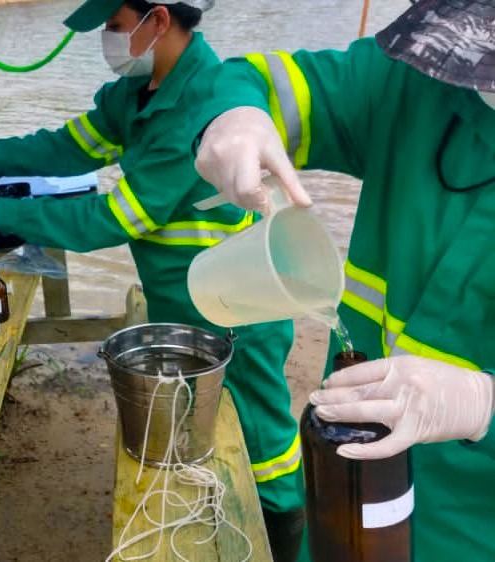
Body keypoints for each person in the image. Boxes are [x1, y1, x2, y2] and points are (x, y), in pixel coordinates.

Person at [0, 0, 305, 557]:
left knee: (262, 438)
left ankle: (284, 535)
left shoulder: (203, 105)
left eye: (115, 26)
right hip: (181, 300)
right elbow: (69, 146)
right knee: (196, 432)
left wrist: (0, 213)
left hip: (239, 306)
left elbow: (113, 217)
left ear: (158, 20)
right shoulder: (135, 93)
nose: (106, 38)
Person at [192, 0, 495, 560]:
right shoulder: (418, 81)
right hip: (345, 497)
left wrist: (482, 403)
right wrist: (235, 116)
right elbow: (258, 80)